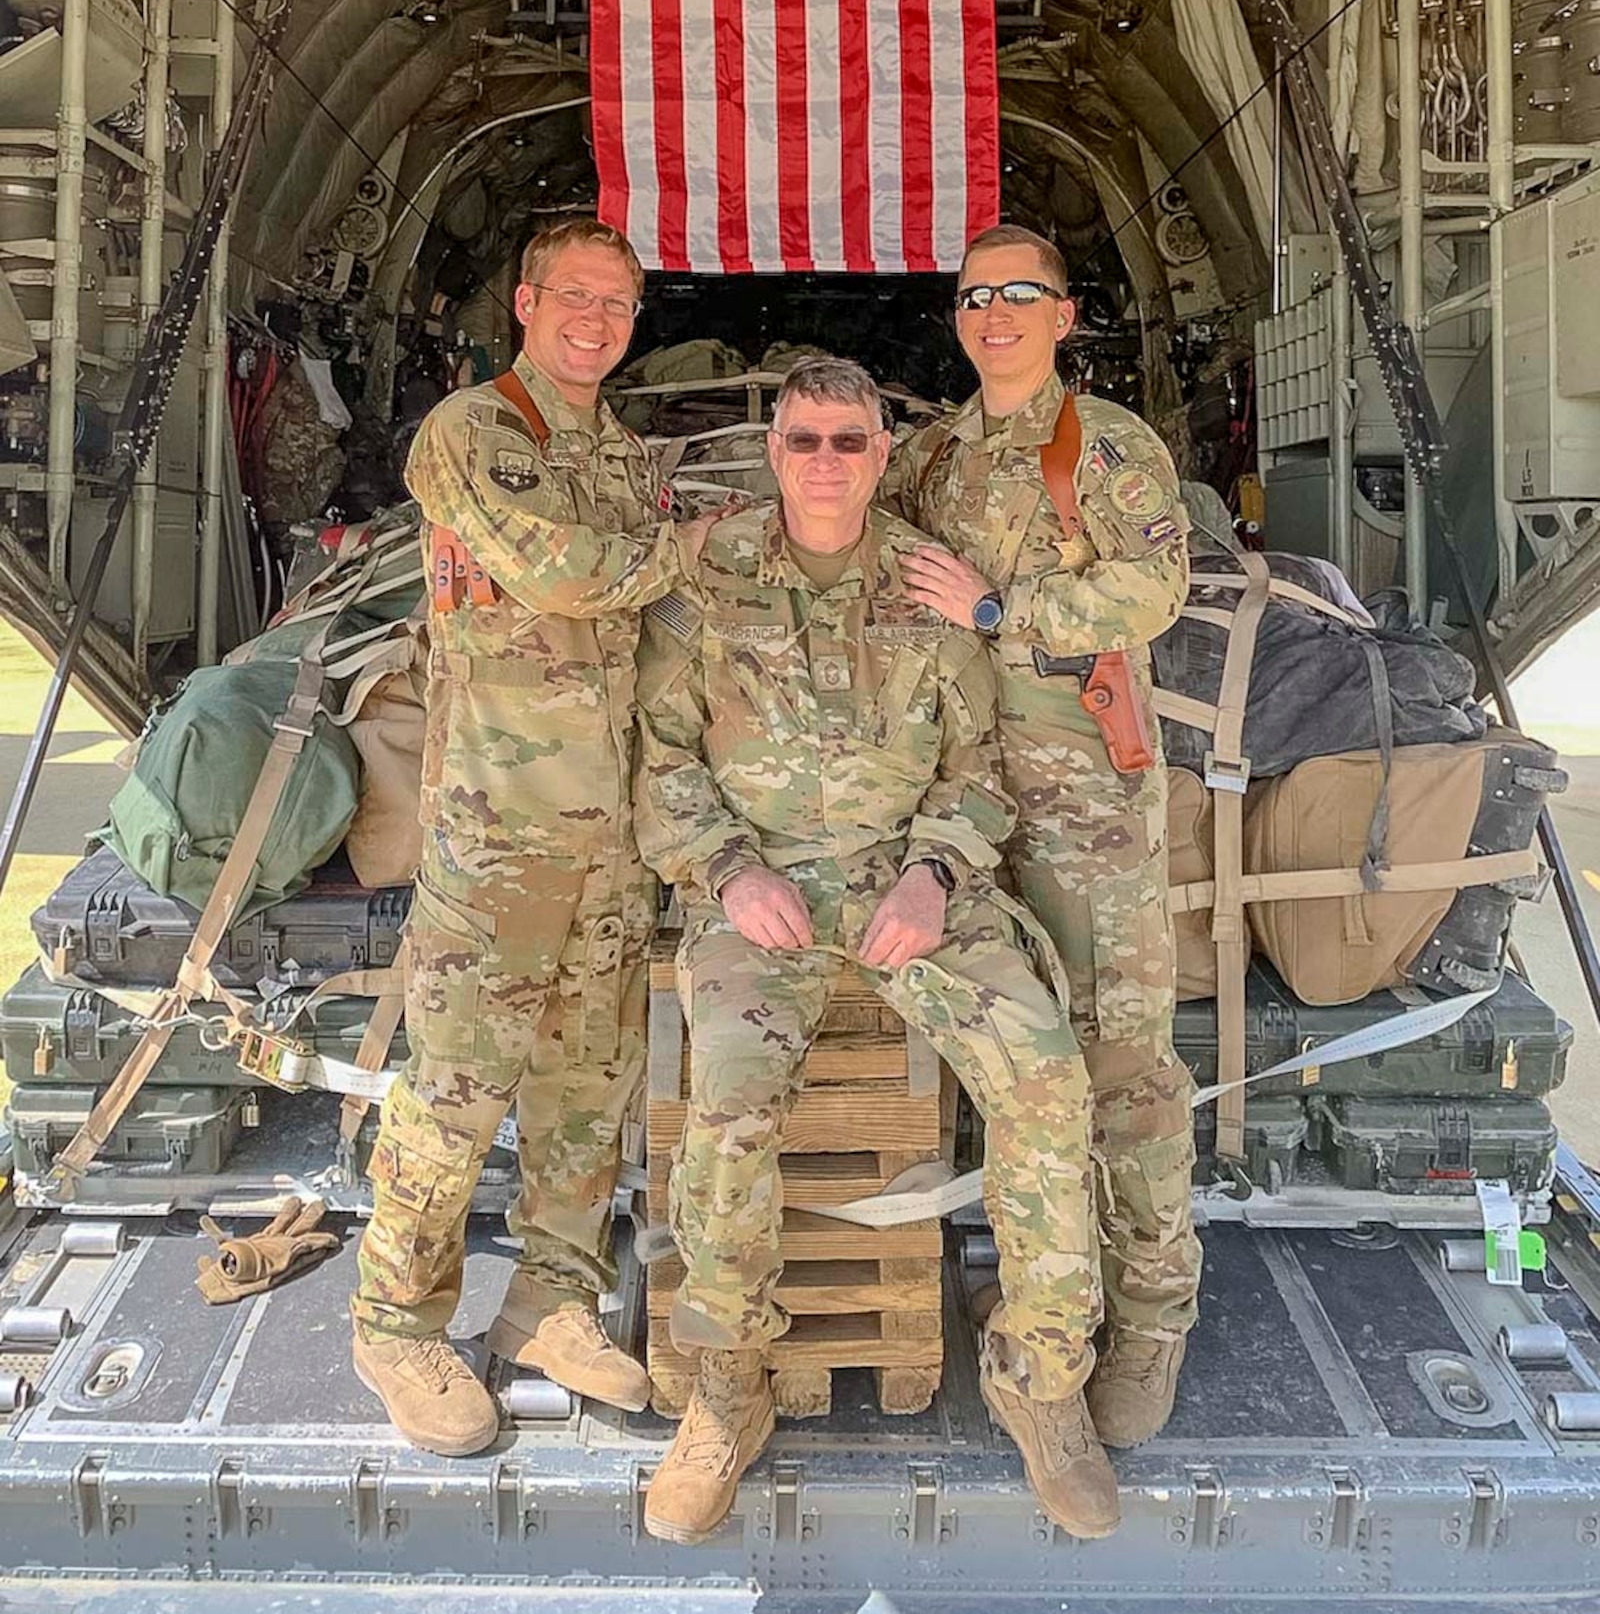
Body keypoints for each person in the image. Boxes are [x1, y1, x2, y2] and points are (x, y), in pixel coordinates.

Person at [634, 354, 1117, 1546]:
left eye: (849, 440)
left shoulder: (927, 581)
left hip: (914, 885)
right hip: (761, 892)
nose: (826, 463)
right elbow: (660, 757)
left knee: (1047, 1079)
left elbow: (980, 770)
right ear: (772, 448)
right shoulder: (711, 574)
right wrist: (729, 870)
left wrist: (935, 869)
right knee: (729, 1114)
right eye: (803, 440)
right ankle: (729, 1388)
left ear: (881, 452)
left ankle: (1042, 1379)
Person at [350, 216, 715, 1454]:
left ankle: (551, 1299)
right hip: (500, 832)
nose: (596, 321)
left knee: (584, 1091)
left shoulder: (616, 449)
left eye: (618, 305)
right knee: (455, 1090)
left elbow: (656, 624)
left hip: (607, 832)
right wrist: (685, 549)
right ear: (525, 299)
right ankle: (396, 1319)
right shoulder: (473, 431)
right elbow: (561, 572)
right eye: (576, 296)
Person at [889, 222, 1202, 1453]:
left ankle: (1150, 1319)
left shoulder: (1107, 446)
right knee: (1014, 1071)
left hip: (1084, 805)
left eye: (1021, 293)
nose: (996, 312)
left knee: (1122, 1069)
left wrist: (997, 608)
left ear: (1064, 316)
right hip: (963, 795)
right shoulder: (930, 460)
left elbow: (1150, 587)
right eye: (975, 296)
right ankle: (1038, 1300)